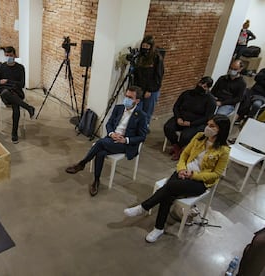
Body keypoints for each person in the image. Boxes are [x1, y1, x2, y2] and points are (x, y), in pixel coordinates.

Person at [124, 114, 230, 243]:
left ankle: (144, 208)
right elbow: (184, 154)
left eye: (212, 126)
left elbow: (216, 174)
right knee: (168, 193)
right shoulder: (199, 137)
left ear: (221, 129)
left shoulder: (224, 150)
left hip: (200, 181)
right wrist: (181, 169)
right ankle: (158, 228)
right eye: (208, 124)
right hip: (183, 171)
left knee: (169, 187)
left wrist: (193, 175)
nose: (208, 128)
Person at [65, 86, 147, 197]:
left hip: (125, 144)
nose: (127, 99)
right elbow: (109, 124)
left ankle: (82, 164)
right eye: (126, 96)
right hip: (111, 139)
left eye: (130, 97)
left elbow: (142, 136)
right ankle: (96, 181)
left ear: (137, 101)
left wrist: (125, 140)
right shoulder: (118, 108)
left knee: (100, 143)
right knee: (100, 152)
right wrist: (112, 133)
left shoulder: (141, 116)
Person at [164, 76, 216, 161]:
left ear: (208, 88)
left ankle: (181, 150)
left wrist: (190, 123)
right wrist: (178, 117)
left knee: (185, 136)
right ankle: (176, 146)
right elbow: (176, 106)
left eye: (205, 86)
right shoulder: (187, 93)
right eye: (200, 83)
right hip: (181, 118)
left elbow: (207, 117)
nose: (201, 86)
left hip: (196, 123)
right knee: (168, 127)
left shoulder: (210, 100)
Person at [0, 46, 35, 143]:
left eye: (10, 55)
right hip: (5, 93)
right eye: (6, 56)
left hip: (16, 92)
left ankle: (14, 133)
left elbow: (22, 84)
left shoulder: (20, 68)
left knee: (16, 105)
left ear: (14, 55)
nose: (8, 57)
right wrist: (1, 83)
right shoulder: (1, 67)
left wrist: (8, 81)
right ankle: (28, 107)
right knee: (6, 92)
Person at [133, 35, 164, 130]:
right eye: (144, 46)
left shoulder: (156, 58)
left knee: (146, 111)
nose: (145, 48)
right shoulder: (140, 57)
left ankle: (144, 128)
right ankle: (135, 127)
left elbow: (158, 76)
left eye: (147, 46)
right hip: (140, 88)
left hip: (151, 90)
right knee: (137, 109)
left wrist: (150, 90)